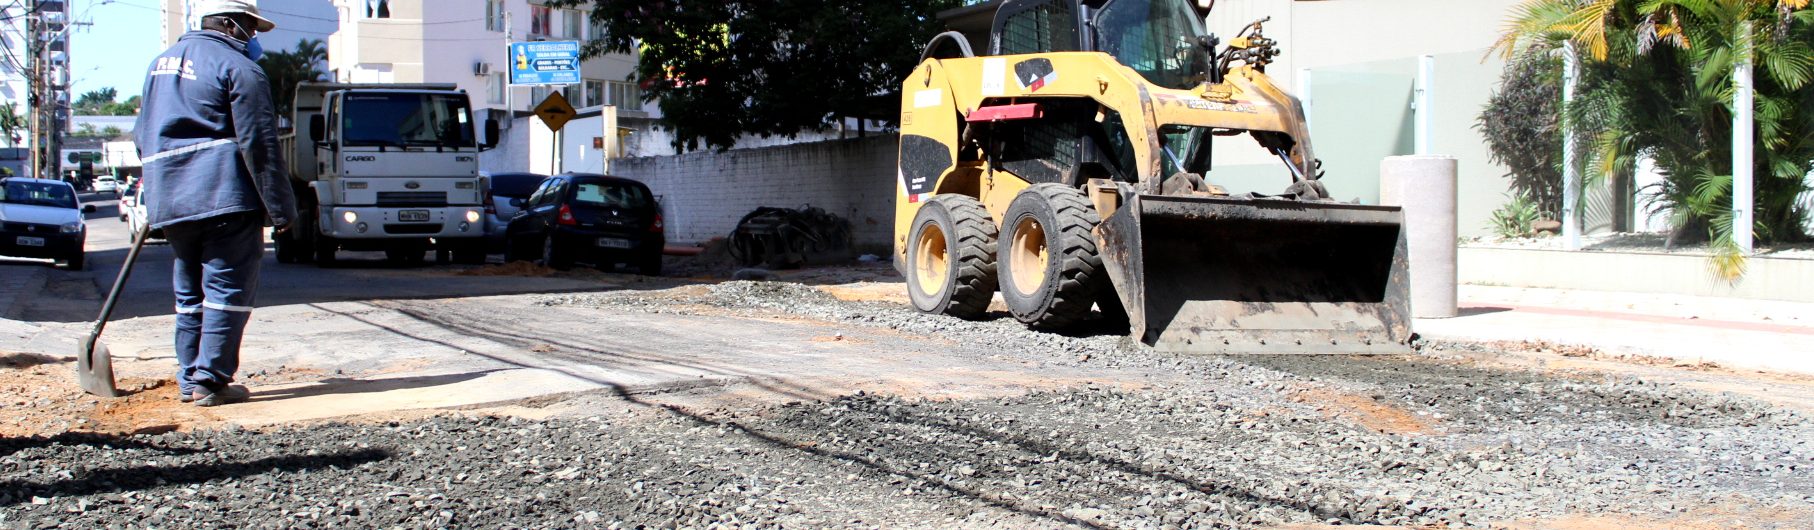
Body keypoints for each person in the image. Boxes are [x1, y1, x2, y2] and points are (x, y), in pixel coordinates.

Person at [134, 0, 295, 407]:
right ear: (227, 24)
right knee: (227, 290)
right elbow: (259, 143)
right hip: (223, 196)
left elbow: (142, 135)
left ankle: (189, 378)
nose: (253, 37)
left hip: (172, 199)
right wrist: (281, 210)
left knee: (189, 293)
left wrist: (161, 187)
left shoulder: (160, 64)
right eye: (249, 27)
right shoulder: (239, 68)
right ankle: (211, 381)